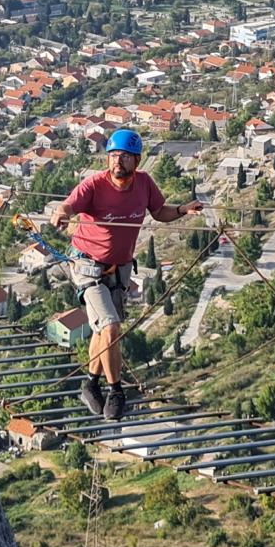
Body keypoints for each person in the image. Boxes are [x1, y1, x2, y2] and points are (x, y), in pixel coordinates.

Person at [49, 128, 202, 420]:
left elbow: (159, 212)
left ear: (137, 161)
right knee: (111, 328)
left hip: (118, 270)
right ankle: (116, 391)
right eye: (113, 155)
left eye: (124, 157)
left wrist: (183, 209)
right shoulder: (94, 185)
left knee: (101, 330)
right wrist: (62, 213)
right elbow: (69, 204)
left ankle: (90, 385)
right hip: (87, 267)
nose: (117, 162)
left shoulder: (144, 184)